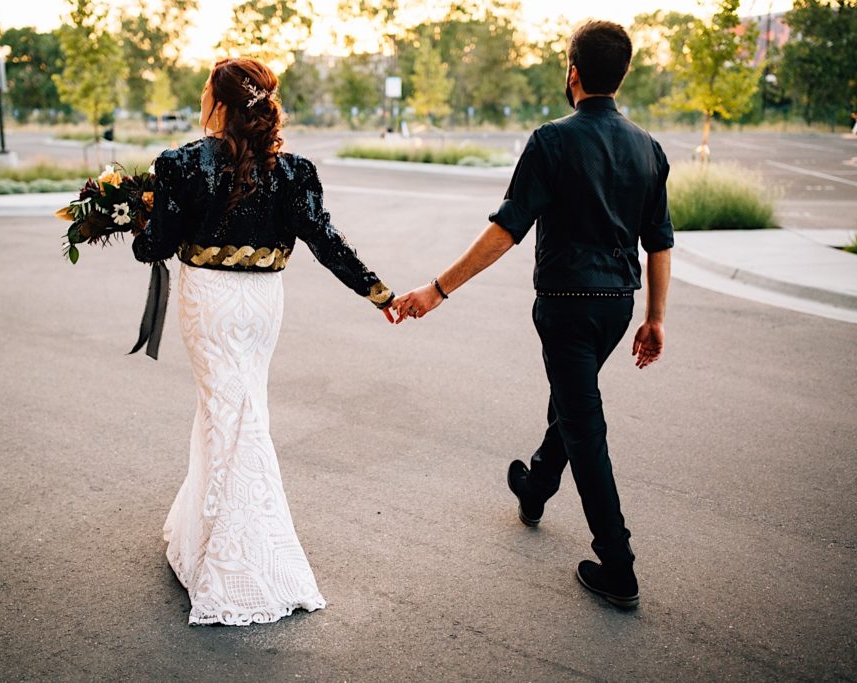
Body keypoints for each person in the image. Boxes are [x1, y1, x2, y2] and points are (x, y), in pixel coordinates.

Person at [393, 20, 673, 609]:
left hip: (566, 305)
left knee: (585, 425)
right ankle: (537, 485)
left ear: (573, 72)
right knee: (574, 407)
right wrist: (655, 318)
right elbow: (660, 242)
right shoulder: (650, 148)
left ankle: (617, 566)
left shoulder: (551, 140)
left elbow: (506, 229)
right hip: (618, 306)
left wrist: (438, 290)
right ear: (621, 75)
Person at [132, 57, 396, 626]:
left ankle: (236, 564)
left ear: (219, 104)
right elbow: (327, 241)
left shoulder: (179, 164)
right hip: (261, 307)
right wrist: (378, 293)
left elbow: (153, 248)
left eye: (206, 90)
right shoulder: (294, 171)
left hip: (209, 303)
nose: (203, 98)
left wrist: (138, 219)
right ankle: (205, 535)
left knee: (229, 413)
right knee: (238, 410)